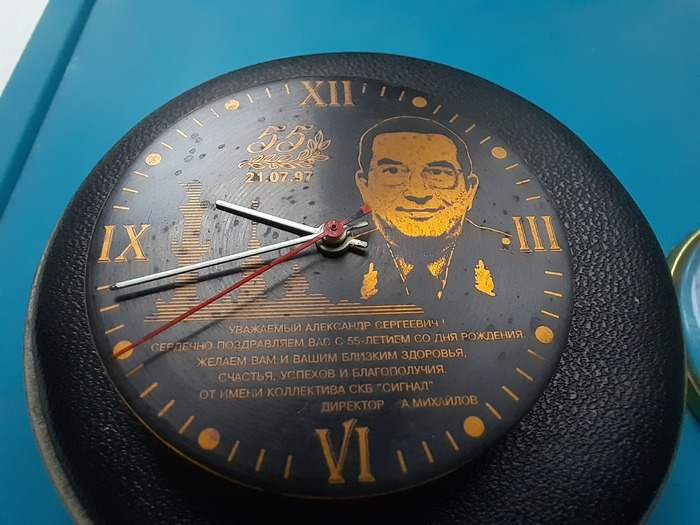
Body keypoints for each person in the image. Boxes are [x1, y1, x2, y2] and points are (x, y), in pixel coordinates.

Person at [354, 116, 500, 303]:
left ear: (470, 190)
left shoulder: (506, 253)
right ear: (364, 187)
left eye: (438, 172)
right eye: (392, 171)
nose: (418, 192)